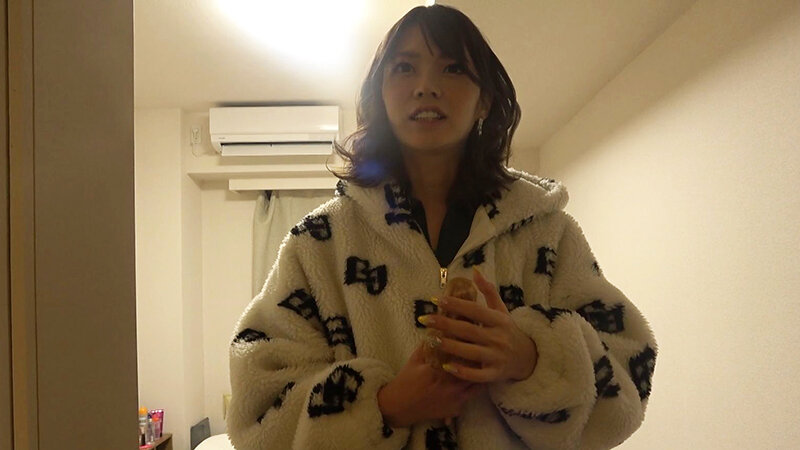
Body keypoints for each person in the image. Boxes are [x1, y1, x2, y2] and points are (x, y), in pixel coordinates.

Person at [227, 5, 657, 449]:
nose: (425, 87)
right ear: (381, 95)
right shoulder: (318, 242)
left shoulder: (548, 233)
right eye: (404, 68)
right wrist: (386, 406)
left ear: (484, 99)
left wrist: (531, 359)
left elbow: (628, 381)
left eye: (452, 68)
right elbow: (256, 407)